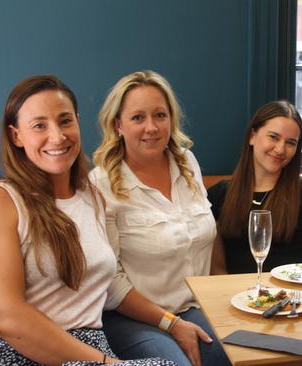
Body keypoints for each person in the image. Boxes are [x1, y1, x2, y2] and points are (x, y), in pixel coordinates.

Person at [0, 75, 173, 365]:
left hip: (91, 350)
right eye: (39, 126)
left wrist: (171, 323)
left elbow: (106, 287)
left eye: (65, 121)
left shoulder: (92, 198)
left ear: (78, 122)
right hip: (18, 353)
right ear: (16, 135)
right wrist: (109, 364)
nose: (57, 136)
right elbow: (5, 316)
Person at [90, 70, 229, 366]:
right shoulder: (101, 184)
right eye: (138, 118)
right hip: (132, 318)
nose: (151, 127)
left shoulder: (188, 162)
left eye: (160, 115)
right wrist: (170, 324)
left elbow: (209, 233)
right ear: (118, 125)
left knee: (235, 354)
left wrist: (223, 297)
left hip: (193, 307)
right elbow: (109, 281)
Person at [208, 100, 302, 274]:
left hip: (295, 297)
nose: (281, 149)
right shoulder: (218, 195)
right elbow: (217, 270)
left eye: (291, 143)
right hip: (235, 297)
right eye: (273, 137)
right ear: (252, 136)